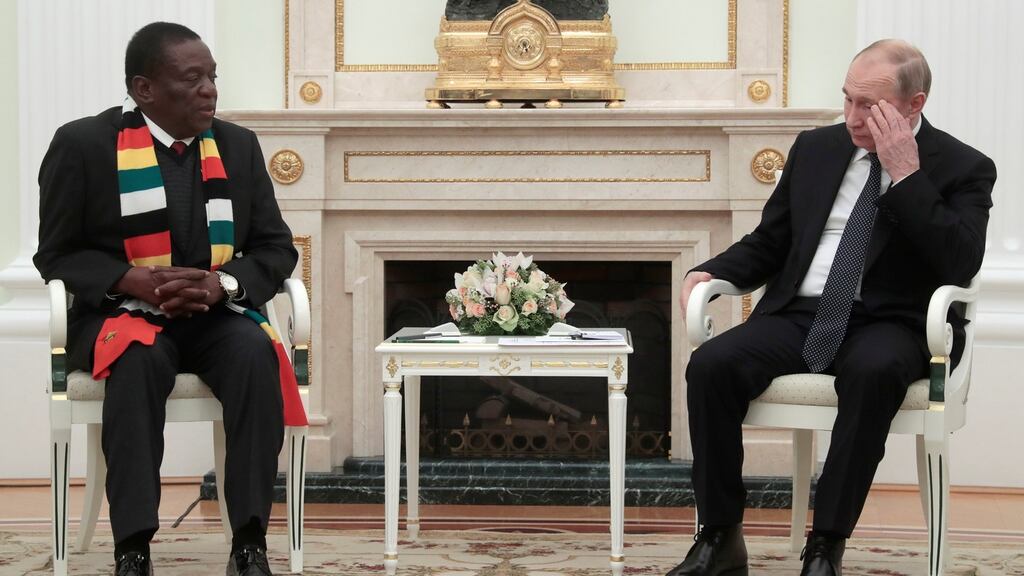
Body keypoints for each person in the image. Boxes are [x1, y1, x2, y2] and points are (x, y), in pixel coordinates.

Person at [668, 39, 995, 576]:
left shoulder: (964, 166)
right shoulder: (815, 148)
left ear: (914, 104)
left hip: (893, 322)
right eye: (847, 99)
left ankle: (825, 547)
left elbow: (960, 261)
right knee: (711, 366)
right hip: (803, 313)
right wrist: (710, 271)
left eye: (869, 105)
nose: (852, 117)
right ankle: (720, 538)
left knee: (872, 372)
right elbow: (771, 241)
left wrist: (907, 177)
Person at [34, 22, 306, 576]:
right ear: (145, 89)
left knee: (256, 355)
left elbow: (276, 248)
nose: (209, 90)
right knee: (136, 359)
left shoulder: (237, 146)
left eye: (213, 77)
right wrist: (128, 280)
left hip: (215, 312)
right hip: (120, 314)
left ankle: (249, 543)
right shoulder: (83, 145)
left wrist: (221, 284)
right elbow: (56, 255)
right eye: (192, 78)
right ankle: (133, 549)